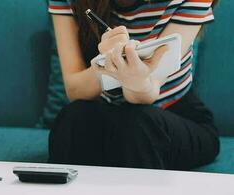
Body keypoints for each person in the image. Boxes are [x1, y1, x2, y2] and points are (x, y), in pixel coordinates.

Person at [48, 0, 220, 170]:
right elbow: (75, 90)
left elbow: (148, 93)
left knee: (139, 125)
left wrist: (133, 78)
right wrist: (107, 62)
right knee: (72, 119)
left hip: (173, 114)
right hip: (107, 111)